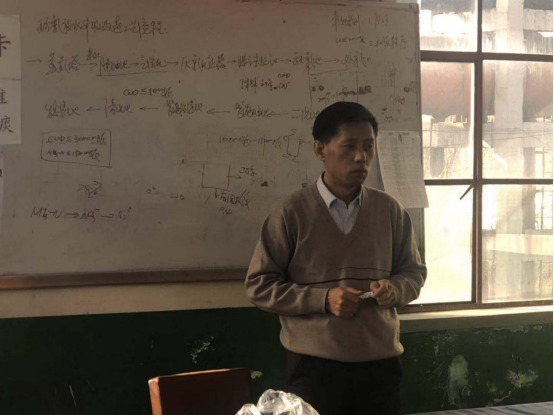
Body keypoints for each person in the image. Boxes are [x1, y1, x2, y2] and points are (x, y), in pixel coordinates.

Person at [245, 101, 426, 415]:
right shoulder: (291, 213)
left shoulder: (389, 210)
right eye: (349, 146)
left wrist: (395, 290)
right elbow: (259, 286)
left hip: (380, 367)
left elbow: (413, 272)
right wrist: (324, 300)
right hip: (315, 369)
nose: (361, 157)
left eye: (368, 146)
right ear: (320, 149)